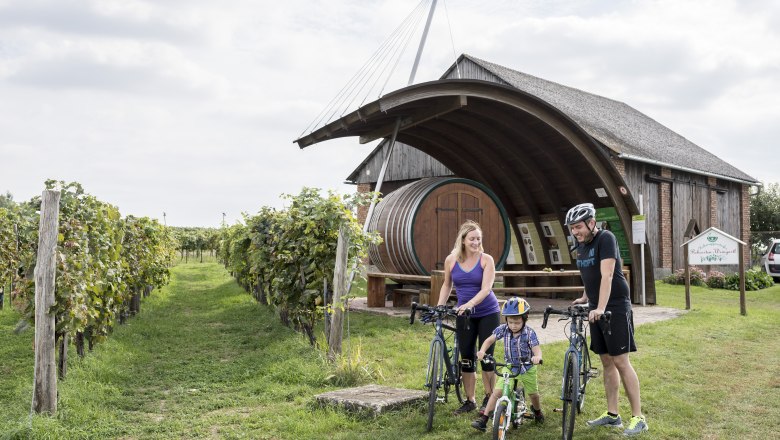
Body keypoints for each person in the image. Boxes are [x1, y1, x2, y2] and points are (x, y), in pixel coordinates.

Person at [566, 202, 648, 436]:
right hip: (596, 307)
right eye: (572, 228)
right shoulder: (581, 245)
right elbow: (589, 273)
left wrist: (600, 306)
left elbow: (607, 274)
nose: (575, 232)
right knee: (606, 362)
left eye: (579, 227)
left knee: (621, 361)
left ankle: (638, 417)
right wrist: (585, 297)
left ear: (592, 223)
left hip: (614, 307)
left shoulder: (606, 238)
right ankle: (613, 415)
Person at [437, 220, 501, 415]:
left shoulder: (486, 259)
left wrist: (470, 304)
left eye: (478, 239)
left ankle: (489, 398)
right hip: (464, 315)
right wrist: (440, 305)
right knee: (466, 358)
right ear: (463, 240)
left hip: (487, 312)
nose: (476, 242)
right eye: (472, 239)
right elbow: (447, 285)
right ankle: (470, 400)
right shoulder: (451, 260)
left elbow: (486, 288)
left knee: (486, 357)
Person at [471, 297, 544, 432]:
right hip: (509, 367)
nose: (513, 325)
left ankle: (538, 411)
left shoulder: (529, 333)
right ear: (506, 321)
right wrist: (481, 351)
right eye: (510, 322)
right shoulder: (503, 329)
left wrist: (537, 357)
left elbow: (536, 348)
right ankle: (484, 419)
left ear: (525, 319)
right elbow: (489, 340)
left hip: (526, 367)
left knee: (533, 394)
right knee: (497, 392)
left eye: (517, 322)